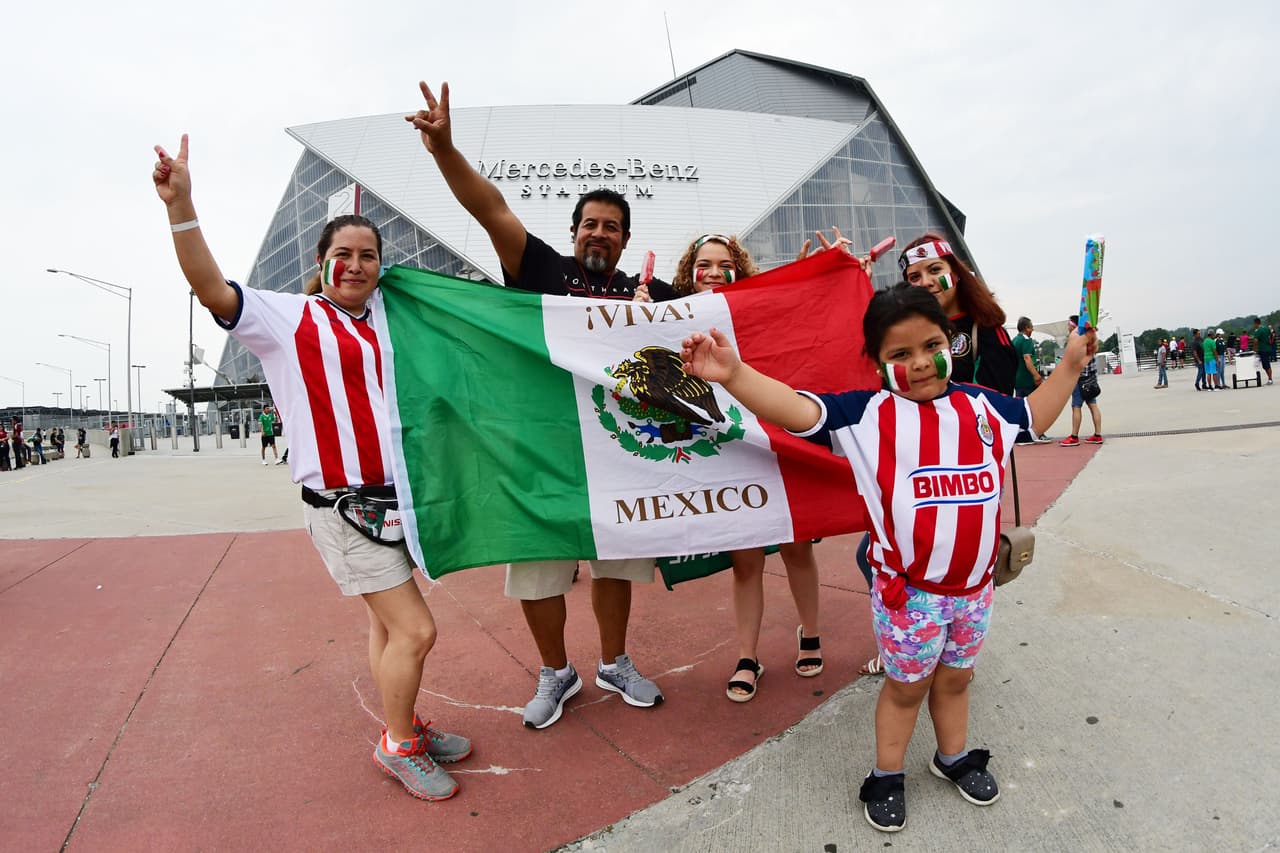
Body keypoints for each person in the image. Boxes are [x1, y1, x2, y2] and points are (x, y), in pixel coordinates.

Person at [680, 282, 1095, 833]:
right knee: (905, 690)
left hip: (974, 594)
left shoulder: (982, 408)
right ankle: (887, 774)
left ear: (950, 341)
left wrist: (1068, 364)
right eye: (900, 354)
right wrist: (734, 375)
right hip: (910, 597)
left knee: (957, 680)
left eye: (930, 345)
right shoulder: (865, 418)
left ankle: (951, 758)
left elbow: (1035, 416)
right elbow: (794, 408)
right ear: (876, 362)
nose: (921, 363)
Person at [153, 133, 469, 801]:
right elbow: (209, 284)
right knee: (417, 628)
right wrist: (182, 207)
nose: (355, 266)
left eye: (368, 256)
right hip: (343, 505)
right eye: (342, 255)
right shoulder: (286, 317)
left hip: (394, 499)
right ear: (320, 260)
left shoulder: (387, 318)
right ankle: (398, 744)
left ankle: (402, 717)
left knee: (386, 625)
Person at [410, 81, 673, 729]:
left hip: (618, 450)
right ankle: (556, 671)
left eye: (613, 227)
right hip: (538, 446)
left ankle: (614, 660)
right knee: (537, 566)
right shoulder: (542, 270)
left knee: (616, 561)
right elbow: (489, 208)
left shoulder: (653, 289)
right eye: (591, 223)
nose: (600, 233)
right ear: (574, 230)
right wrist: (444, 149)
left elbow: (722, 313)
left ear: (626, 237)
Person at [665, 232, 824, 701]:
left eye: (723, 263)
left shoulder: (758, 304)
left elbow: (804, 319)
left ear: (739, 268)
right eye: (704, 264)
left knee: (797, 546)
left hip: (775, 442)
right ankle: (747, 656)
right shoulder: (667, 313)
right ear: (688, 270)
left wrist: (814, 275)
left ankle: (810, 632)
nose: (714, 272)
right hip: (726, 448)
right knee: (745, 560)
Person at [1059, 315, 1104, 445]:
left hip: (1079, 379)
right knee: (1093, 406)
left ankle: (1074, 437)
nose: (1068, 327)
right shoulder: (1090, 339)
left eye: (1069, 325)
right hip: (1091, 379)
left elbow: (1073, 361)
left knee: (1076, 407)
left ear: (1074, 326)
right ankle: (1098, 434)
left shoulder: (1076, 341)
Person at [1011, 317, 1049, 445]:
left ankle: (1021, 433)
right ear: (1026, 328)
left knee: (1021, 408)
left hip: (1017, 379)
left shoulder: (1014, 340)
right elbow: (1027, 358)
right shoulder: (1027, 341)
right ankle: (1038, 433)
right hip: (1028, 379)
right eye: (1031, 327)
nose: (1032, 330)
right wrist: (1036, 375)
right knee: (1035, 407)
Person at [1253, 317, 1274, 385]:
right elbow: (1271, 335)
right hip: (1268, 348)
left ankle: (1270, 379)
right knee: (1266, 364)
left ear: (1256, 323)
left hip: (1263, 349)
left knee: (1266, 365)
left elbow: (1255, 340)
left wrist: (1254, 349)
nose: (1254, 325)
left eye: (1254, 324)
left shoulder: (1258, 330)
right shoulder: (1266, 328)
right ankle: (1270, 378)